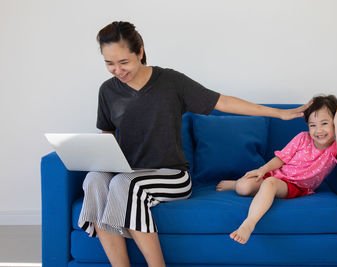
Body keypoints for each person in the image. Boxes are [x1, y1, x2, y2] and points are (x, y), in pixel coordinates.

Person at [78, 21, 311, 267]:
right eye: (109, 63)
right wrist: (99, 157)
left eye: (123, 62)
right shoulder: (107, 91)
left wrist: (278, 113)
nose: (117, 70)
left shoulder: (170, 82)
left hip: (170, 175)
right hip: (128, 171)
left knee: (124, 184)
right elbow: (108, 133)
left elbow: (224, 103)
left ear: (140, 51)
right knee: (94, 179)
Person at [216, 95, 337, 245]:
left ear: (335, 123)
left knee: (270, 183)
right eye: (312, 125)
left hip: (295, 186)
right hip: (279, 174)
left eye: (325, 123)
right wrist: (262, 169)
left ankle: (248, 224)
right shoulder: (302, 138)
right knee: (244, 187)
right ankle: (235, 183)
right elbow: (281, 159)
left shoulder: (335, 147)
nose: (318, 130)